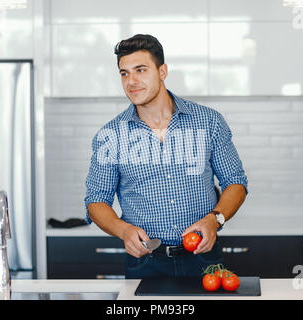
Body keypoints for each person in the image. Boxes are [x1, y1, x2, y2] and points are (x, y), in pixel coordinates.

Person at [84, 34, 248, 278]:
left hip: (205, 259)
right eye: (124, 73)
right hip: (145, 262)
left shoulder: (209, 121)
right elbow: (96, 201)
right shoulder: (110, 135)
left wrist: (215, 219)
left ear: (162, 71)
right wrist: (123, 230)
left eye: (140, 70)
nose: (131, 81)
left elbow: (236, 182)